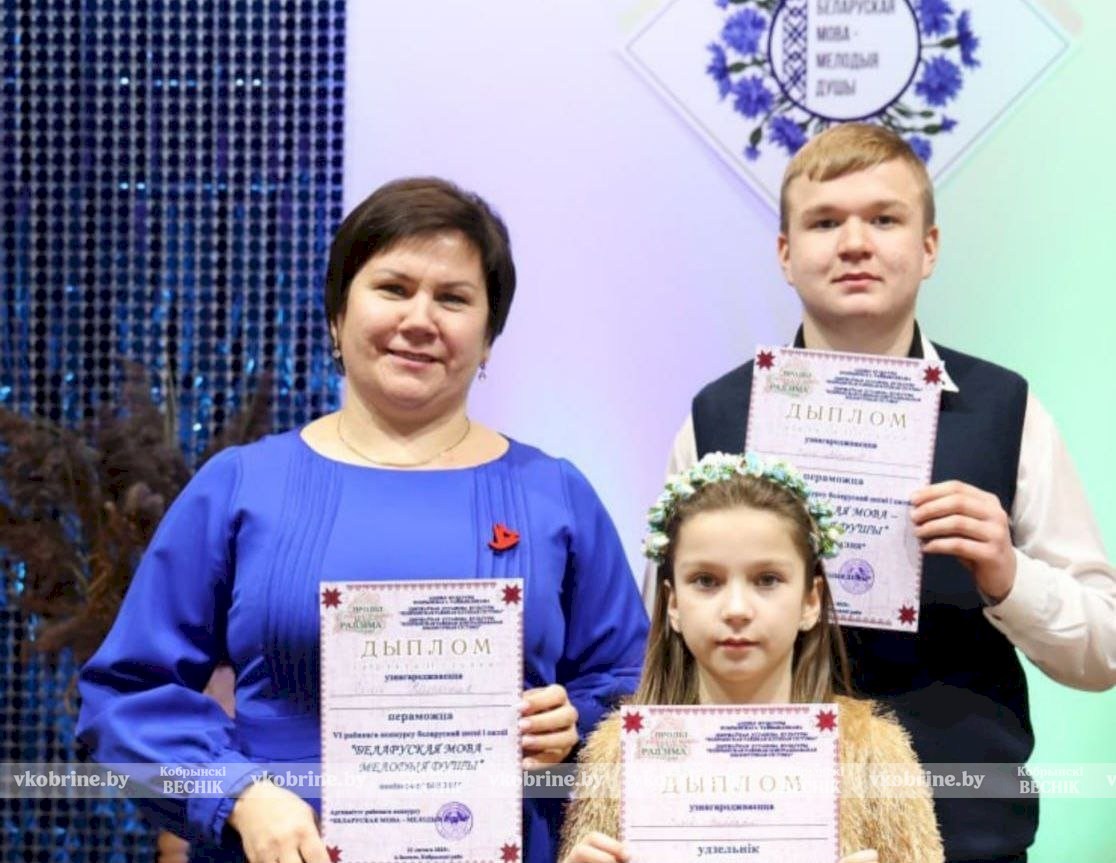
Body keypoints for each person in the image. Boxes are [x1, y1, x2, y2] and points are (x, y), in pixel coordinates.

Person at [76, 177, 649, 863]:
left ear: (489, 338)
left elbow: (631, 690)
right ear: (337, 317)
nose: (420, 319)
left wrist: (575, 725)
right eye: (393, 288)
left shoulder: (554, 494)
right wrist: (238, 793)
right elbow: (125, 695)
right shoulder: (242, 486)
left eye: (453, 298)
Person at [656, 123, 1116, 861]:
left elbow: (1103, 653)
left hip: (965, 833)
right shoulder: (718, 416)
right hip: (759, 831)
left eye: (883, 218)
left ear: (929, 247)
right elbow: (665, 646)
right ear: (785, 253)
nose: (854, 243)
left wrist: (1010, 577)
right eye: (824, 222)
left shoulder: (1007, 410)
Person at [561, 452, 944, 863]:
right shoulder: (618, 752)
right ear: (672, 604)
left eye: (767, 580)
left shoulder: (872, 752)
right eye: (706, 581)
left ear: (811, 601)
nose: (736, 609)